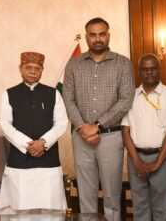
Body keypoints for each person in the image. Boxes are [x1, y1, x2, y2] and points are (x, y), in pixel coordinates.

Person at [62, 17, 134, 220]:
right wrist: (83, 127)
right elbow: (68, 99)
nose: (98, 38)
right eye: (93, 34)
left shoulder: (123, 63)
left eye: (102, 34)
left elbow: (126, 100)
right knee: (85, 193)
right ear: (86, 37)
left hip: (111, 137)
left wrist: (97, 125)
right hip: (81, 136)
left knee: (112, 193)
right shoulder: (74, 65)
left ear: (108, 35)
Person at [0, 52, 69, 215]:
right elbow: (5, 124)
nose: (32, 71)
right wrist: (28, 145)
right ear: (20, 69)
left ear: (42, 70)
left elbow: (62, 123)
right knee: (20, 209)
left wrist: (43, 143)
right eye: (28, 67)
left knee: (50, 209)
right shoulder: (8, 94)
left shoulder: (53, 94)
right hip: (20, 161)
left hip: (48, 161)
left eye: (37, 68)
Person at [121, 54, 166, 221]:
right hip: (135, 158)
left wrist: (157, 163)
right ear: (139, 72)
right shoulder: (130, 97)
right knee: (140, 209)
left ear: (159, 70)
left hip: (164, 158)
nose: (149, 72)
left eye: (153, 68)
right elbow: (125, 131)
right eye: (145, 69)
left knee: (163, 211)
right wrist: (137, 162)